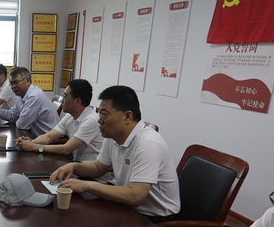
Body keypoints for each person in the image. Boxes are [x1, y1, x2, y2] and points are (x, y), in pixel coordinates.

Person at [49, 85, 180, 219]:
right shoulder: (112, 137)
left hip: (155, 219)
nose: (99, 120)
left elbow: (135, 197)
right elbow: (98, 168)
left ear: (127, 116)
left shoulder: (148, 144)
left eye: (105, 114)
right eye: (100, 113)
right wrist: (73, 166)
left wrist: (87, 185)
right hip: (127, 208)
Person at [16, 79, 106, 182]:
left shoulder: (91, 120)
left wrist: (34, 147)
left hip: (92, 177)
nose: (62, 100)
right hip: (75, 169)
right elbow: (48, 137)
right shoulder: (70, 116)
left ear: (77, 101)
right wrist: (29, 142)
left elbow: (66, 149)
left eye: (65, 97)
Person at [0, 67, 59, 136]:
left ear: (28, 81)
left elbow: (22, 125)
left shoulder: (34, 97)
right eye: (11, 83)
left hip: (49, 141)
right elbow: (11, 115)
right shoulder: (22, 96)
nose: (13, 86)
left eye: (16, 82)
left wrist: (18, 119)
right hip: (36, 137)